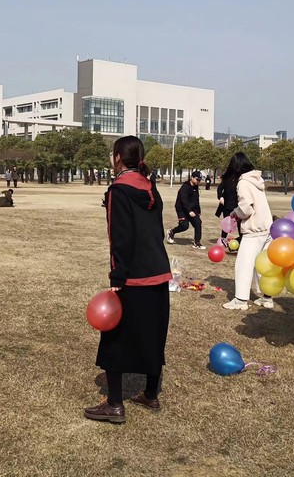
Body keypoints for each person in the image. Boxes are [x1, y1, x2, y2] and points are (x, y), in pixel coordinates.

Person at [84, 135, 171, 424]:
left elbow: (120, 237)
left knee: (115, 338)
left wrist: (117, 276)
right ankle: (150, 394)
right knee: (154, 333)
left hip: (133, 276)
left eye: (112, 155)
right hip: (158, 271)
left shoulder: (118, 190)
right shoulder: (150, 187)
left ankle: (114, 404)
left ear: (118, 157)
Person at [221, 153, 274, 310]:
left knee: (244, 264)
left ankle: (240, 300)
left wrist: (235, 213)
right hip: (267, 227)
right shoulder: (258, 180)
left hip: (254, 229)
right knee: (263, 265)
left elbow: (246, 209)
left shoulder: (243, 182)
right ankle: (267, 297)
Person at [166, 170, 205, 249]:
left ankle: (197, 242)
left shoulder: (196, 187)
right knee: (184, 226)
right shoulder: (185, 187)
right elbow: (184, 200)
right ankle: (172, 232)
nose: (198, 181)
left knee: (198, 222)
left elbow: (196, 199)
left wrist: (198, 211)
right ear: (192, 178)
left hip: (191, 209)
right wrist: (189, 211)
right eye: (197, 179)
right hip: (181, 208)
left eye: (200, 180)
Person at [216, 163, 242, 251]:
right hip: (227, 206)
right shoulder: (226, 179)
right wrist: (221, 197)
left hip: (238, 206)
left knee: (240, 226)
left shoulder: (241, 180)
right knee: (227, 225)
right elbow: (220, 189)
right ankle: (223, 241)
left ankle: (239, 243)